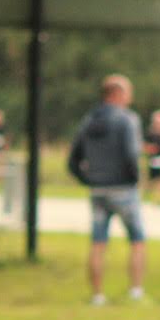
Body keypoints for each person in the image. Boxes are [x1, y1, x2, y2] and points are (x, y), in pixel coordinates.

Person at [66, 73, 147, 305]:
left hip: (97, 190)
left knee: (98, 242)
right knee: (137, 240)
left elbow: (73, 160)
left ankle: (98, 295)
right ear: (117, 94)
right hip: (123, 189)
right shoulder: (127, 120)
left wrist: (88, 179)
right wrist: (136, 179)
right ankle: (136, 291)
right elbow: (132, 154)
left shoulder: (89, 120)